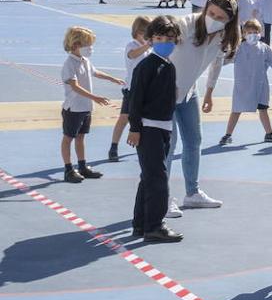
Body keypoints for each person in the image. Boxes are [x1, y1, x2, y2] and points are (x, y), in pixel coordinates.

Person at [162, 0, 240, 216]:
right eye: (211, 13)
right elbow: (158, 50)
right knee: (168, 145)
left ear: (229, 20)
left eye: (220, 17)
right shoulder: (183, 25)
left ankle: (192, 193)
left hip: (189, 92)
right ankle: (163, 197)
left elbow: (216, 63)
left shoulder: (222, 37)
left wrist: (209, 92)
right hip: (165, 93)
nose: (213, 18)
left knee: (194, 140)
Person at [126, 16, 184, 242]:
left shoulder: (168, 65)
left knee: (148, 177)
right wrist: (135, 127)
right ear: (150, 39)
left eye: (169, 38)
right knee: (158, 178)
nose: (165, 42)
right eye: (159, 38)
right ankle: (154, 225)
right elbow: (135, 98)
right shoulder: (147, 65)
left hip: (163, 127)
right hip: (148, 128)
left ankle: (140, 223)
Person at [59, 26, 123, 182]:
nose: (91, 48)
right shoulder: (69, 64)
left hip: (85, 108)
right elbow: (74, 86)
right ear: (75, 45)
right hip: (73, 108)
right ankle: (68, 169)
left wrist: (112, 78)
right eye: (87, 45)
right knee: (68, 138)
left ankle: (82, 166)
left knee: (81, 137)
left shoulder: (85, 60)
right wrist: (95, 97)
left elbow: (95, 72)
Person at [219, 19, 272, 145]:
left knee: (263, 108)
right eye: (249, 32)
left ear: (260, 32)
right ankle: (227, 134)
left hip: (260, 84)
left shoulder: (265, 48)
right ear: (244, 33)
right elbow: (225, 60)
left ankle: (269, 133)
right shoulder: (238, 48)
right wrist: (216, 59)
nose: (253, 35)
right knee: (236, 109)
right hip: (243, 85)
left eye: (255, 32)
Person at [108, 16, 153, 162]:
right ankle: (113, 147)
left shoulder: (147, 49)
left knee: (145, 119)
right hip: (132, 89)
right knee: (124, 118)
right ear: (139, 32)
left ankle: (144, 144)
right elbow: (133, 55)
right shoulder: (132, 45)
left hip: (145, 89)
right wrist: (148, 45)